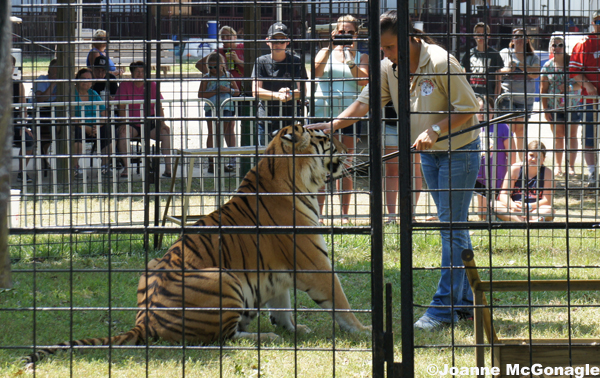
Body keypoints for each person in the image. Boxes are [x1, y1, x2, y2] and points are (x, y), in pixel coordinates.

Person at [306, 11, 481, 330]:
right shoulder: (389, 68)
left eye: (389, 47)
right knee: (453, 226)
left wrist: (436, 130)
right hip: (429, 155)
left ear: (409, 38)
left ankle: (442, 310)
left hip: (460, 151)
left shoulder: (441, 61)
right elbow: (365, 101)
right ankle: (466, 302)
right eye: (382, 49)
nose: (384, 54)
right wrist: (334, 125)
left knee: (450, 228)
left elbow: (469, 108)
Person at [313, 15, 369, 224]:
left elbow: (363, 80)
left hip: (349, 116)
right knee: (321, 165)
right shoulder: (324, 51)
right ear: (334, 33)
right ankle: (318, 215)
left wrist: (350, 59)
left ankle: (344, 214)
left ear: (356, 34)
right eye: (341, 32)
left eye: (349, 32)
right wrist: (330, 48)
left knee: (345, 165)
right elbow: (316, 72)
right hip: (322, 113)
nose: (344, 36)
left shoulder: (362, 56)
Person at [252, 22, 308, 145]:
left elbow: (303, 91)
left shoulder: (296, 61)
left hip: (290, 119)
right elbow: (255, 91)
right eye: (274, 40)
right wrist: (278, 95)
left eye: (281, 41)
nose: (277, 44)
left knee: (289, 159)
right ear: (267, 41)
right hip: (265, 120)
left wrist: (290, 93)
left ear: (287, 42)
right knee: (266, 158)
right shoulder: (260, 61)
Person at [114, 61, 172, 179]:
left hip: (149, 123)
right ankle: (127, 167)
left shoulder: (153, 85)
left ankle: (168, 169)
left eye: (142, 72)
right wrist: (124, 122)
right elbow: (120, 106)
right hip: (132, 123)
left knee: (166, 133)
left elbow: (159, 106)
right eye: (137, 72)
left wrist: (162, 123)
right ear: (132, 73)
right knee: (123, 133)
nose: (140, 74)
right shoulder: (125, 85)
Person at [541, 35, 581, 178]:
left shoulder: (573, 63)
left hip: (573, 106)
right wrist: (545, 109)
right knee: (558, 137)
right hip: (554, 107)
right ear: (550, 47)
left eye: (560, 45)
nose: (557, 48)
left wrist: (569, 86)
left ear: (564, 47)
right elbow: (543, 90)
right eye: (554, 45)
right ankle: (558, 167)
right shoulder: (547, 66)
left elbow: (581, 82)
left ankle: (571, 167)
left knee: (571, 136)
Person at [498, 28, 541, 162]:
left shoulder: (533, 57)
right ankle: (510, 162)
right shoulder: (504, 53)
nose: (519, 40)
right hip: (507, 98)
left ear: (527, 40)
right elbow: (497, 70)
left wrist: (519, 65)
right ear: (512, 39)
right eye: (517, 37)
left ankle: (521, 164)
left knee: (521, 131)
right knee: (509, 131)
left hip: (524, 100)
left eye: (522, 37)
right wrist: (508, 69)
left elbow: (535, 73)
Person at [569, 10, 600, 187]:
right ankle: (592, 174)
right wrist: (588, 85)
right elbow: (574, 72)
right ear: (593, 23)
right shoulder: (583, 44)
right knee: (589, 139)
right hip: (590, 102)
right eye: (598, 21)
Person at [197, 52, 240, 174]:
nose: (213, 70)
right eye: (210, 67)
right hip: (211, 108)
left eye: (215, 67)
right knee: (212, 133)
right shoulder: (206, 77)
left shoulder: (228, 76)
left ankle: (221, 161)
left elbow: (237, 92)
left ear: (222, 65)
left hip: (227, 107)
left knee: (223, 132)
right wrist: (215, 91)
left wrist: (227, 90)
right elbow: (200, 94)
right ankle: (211, 161)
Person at [474, 96, 515, 220]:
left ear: (493, 110)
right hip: (478, 176)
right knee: (482, 214)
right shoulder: (472, 127)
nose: (483, 114)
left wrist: (510, 175)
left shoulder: (502, 127)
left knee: (494, 209)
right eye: (480, 110)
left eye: (487, 110)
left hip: (497, 175)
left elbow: (512, 154)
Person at [493, 141, 554, 222]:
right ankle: (530, 222)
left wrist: (528, 206)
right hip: (514, 208)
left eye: (538, 157)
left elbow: (547, 200)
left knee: (550, 211)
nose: (534, 159)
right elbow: (503, 195)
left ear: (543, 159)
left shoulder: (548, 173)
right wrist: (513, 205)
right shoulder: (515, 169)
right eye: (531, 155)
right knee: (494, 205)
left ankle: (515, 220)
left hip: (534, 209)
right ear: (525, 155)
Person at [72, 68, 113, 178]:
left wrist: (98, 125)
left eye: (89, 79)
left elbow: (105, 114)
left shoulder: (93, 93)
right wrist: (85, 127)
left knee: (108, 131)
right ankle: (74, 167)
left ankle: (105, 166)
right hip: (78, 127)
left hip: (94, 127)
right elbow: (70, 116)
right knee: (75, 132)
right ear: (77, 80)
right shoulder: (71, 94)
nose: (86, 82)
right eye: (83, 79)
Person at [460, 22, 504, 99]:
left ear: (488, 36)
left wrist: (495, 100)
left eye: (484, 33)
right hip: (472, 95)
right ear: (474, 36)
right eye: (478, 33)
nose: (481, 36)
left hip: (488, 97)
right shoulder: (468, 54)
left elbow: (498, 81)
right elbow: (463, 77)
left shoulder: (494, 55)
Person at [195, 26, 245, 93]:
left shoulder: (243, 47)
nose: (225, 39)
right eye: (222, 37)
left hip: (244, 87)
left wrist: (237, 60)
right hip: (226, 89)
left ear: (235, 37)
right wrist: (213, 76)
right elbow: (199, 64)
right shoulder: (219, 52)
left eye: (227, 36)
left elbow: (253, 66)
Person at [12, 55, 34, 183]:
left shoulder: (18, 85)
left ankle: (22, 172)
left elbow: (23, 108)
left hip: (13, 122)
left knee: (29, 139)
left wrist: (23, 125)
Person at [33, 58, 59, 155]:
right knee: (46, 134)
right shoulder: (41, 80)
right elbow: (40, 99)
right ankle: (44, 155)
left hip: (57, 112)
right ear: (49, 70)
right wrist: (53, 84)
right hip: (43, 112)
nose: (57, 72)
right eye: (55, 69)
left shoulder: (64, 82)